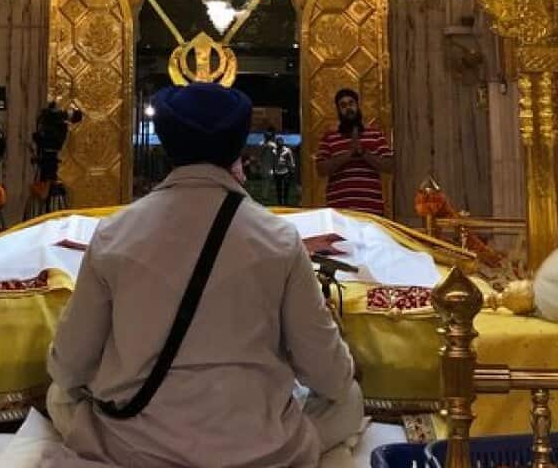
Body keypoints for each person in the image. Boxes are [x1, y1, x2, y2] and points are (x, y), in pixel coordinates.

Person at [47, 82, 363, 468]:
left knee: (58, 394)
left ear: (166, 145)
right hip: (257, 450)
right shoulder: (278, 239)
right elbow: (329, 375)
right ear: (237, 150)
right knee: (348, 399)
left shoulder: (116, 232)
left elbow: (69, 366)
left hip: (133, 446)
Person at [314, 88, 393, 216]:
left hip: (371, 211)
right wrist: (348, 154)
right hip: (339, 212)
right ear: (338, 110)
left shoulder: (375, 134)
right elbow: (321, 170)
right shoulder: (329, 137)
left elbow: (389, 166)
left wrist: (363, 152)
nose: (348, 108)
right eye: (343, 105)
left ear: (357, 106)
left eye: (351, 103)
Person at [272, 136, 296, 206]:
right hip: (277, 171)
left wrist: (292, 168)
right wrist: (272, 169)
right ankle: (279, 202)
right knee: (278, 188)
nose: (279, 144)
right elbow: (273, 161)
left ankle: (285, 201)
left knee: (286, 187)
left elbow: (291, 160)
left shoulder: (287, 150)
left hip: (285, 171)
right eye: (278, 142)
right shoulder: (274, 151)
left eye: (280, 142)